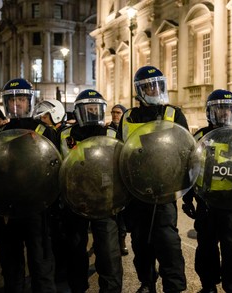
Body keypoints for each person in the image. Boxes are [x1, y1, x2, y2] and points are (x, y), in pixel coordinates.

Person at [117, 65, 187, 293]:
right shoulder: (128, 117)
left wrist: (188, 192)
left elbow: (186, 152)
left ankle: (174, 287)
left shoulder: (173, 113)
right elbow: (119, 153)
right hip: (135, 191)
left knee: (168, 243)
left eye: (157, 84)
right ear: (139, 90)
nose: (153, 89)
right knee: (140, 243)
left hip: (164, 191)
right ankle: (147, 283)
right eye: (148, 86)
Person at [182, 89, 232, 293]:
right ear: (211, 112)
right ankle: (208, 285)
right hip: (207, 202)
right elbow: (189, 169)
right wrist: (187, 199)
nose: (225, 113)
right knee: (206, 248)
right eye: (221, 109)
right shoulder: (200, 136)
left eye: (229, 109)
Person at [0, 78, 58, 293]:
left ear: (29, 101)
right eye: (12, 99)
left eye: (21, 99)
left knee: (40, 261)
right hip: (9, 207)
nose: (16, 104)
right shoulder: (0, 134)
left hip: (37, 207)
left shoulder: (44, 131)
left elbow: (56, 167)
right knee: (11, 263)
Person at [58, 89, 123, 293]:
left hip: (105, 201)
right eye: (87, 109)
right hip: (75, 202)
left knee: (108, 253)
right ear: (78, 112)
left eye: (96, 108)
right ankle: (77, 287)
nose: (92, 112)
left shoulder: (112, 133)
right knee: (76, 251)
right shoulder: (65, 135)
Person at [106, 103, 129, 256]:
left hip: (122, 175)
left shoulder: (127, 130)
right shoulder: (106, 130)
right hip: (109, 174)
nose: (115, 115)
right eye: (113, 112)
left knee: (122, 212)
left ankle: (121, 239)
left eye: (118, 113)